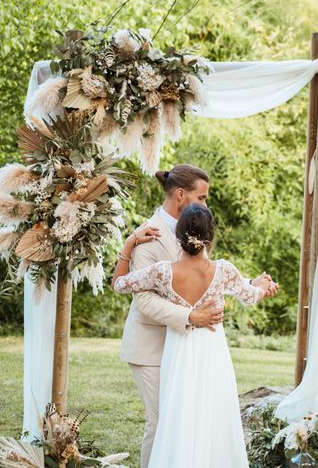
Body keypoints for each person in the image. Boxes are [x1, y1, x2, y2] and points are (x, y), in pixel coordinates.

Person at [112, 203, 279, 468]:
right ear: (209, 237)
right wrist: (262, 285)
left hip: (179, 350)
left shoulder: (163, 271)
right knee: (213, 413)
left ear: (178, 236)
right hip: (213, 352)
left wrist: (131, 242)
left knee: (179, 413)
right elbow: (251, 295)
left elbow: (119, 283)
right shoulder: (224, 270)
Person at [119, 164, 223, 468]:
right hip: (152, 347)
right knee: (162, 422)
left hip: (185, 348)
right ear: (180, 195)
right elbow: (145, 301)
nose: (205, 204)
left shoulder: (193, 230)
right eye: (201, 198)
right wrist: (192, 316)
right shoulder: (148, 236)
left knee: (184, 422)